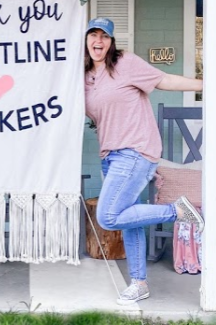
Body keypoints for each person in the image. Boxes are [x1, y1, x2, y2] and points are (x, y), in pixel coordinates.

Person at [84, 17, 204, 305]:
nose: (98, 41)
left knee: (108, 216)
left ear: (111, 42)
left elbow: (164, 80)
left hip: (135, 150)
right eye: (93, 35)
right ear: (86, 40)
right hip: (111, 155)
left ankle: (177, 212)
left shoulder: (125, 62)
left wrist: (204, 84)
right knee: (129, 218)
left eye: (104, 36)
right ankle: (139, 283)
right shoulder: (85, 76)